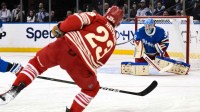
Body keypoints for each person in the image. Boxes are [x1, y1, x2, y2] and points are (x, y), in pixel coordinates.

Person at [0, 6, 124, 112]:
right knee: (91, 89)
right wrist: (87, 73)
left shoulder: (96, 17)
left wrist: (61, 28)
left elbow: (75, 20)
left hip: (64, 47)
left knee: (36, 64)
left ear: (107, 13)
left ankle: (15, 88)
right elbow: (101, 61)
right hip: (83, 66)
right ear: (118, 22)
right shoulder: (113, 41)